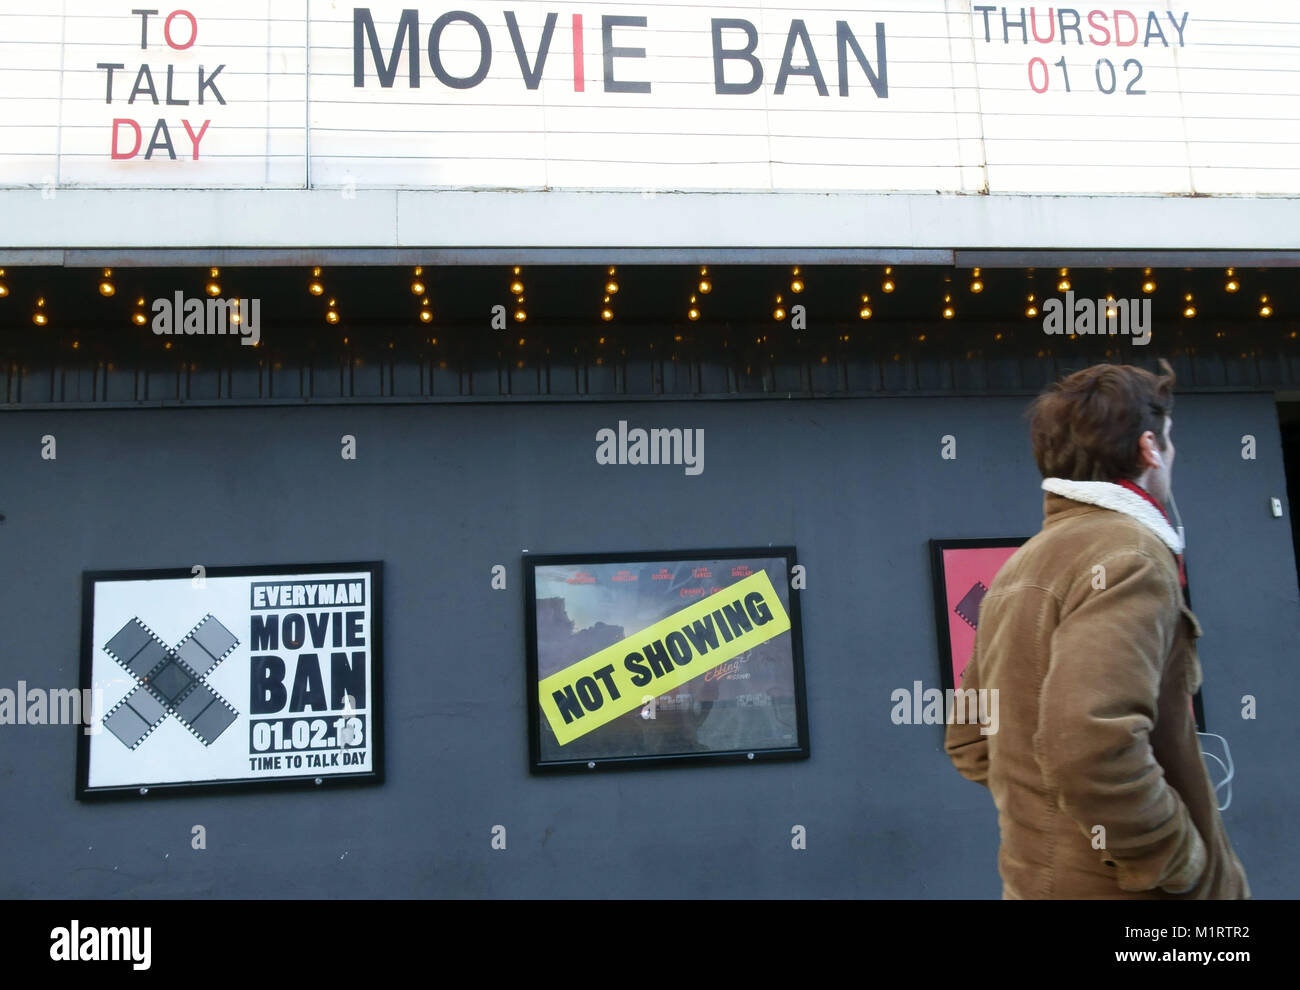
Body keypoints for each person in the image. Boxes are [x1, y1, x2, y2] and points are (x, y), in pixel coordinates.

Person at [945, 360, 1249, 898]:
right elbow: (1088, 741)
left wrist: (1050, 815)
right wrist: (1175, 857)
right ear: (1150, 447)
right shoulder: (1131, 556)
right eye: (1169, 440)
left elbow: (970, 737)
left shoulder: (1021, 566)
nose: (1173, 455)